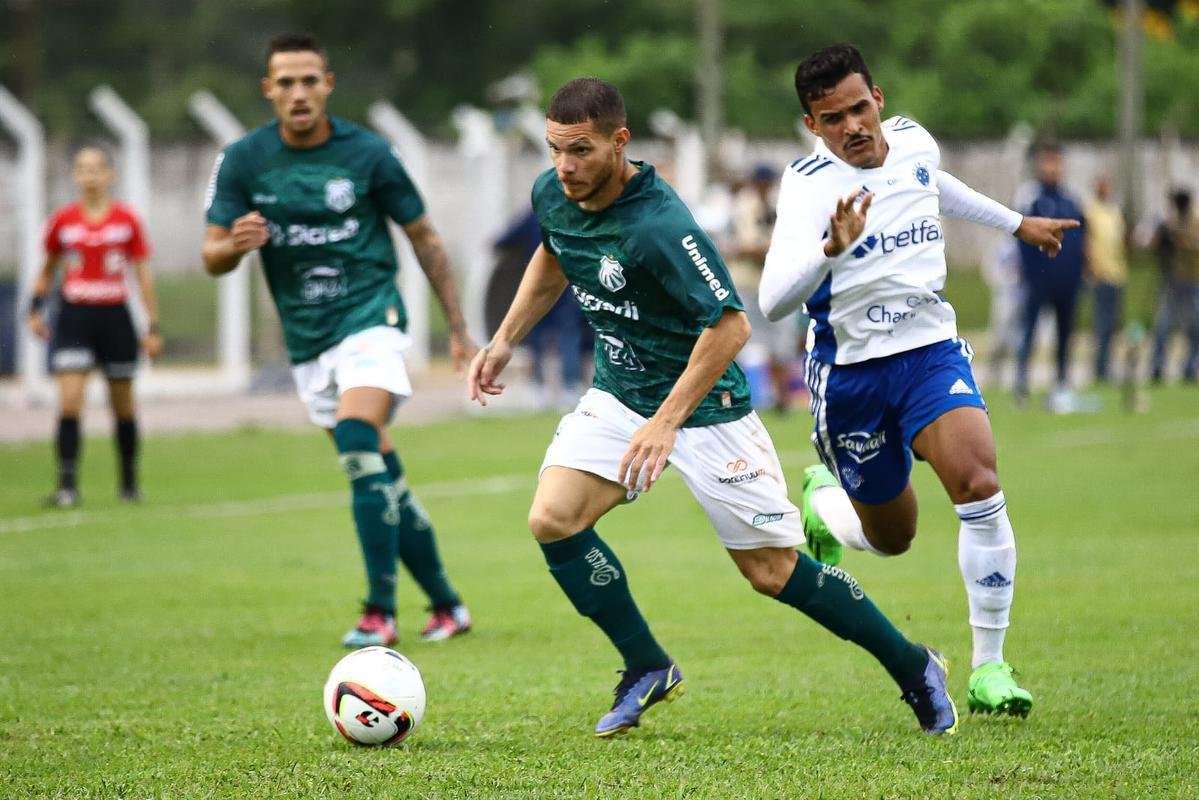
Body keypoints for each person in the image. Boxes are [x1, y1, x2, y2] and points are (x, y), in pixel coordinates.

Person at [469, 77, 960, 738]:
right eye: (555, 149)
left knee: (770, 572)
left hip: (707, 411)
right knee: (553, 519)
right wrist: (503, 340)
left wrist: (665, 424)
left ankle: (912, 666)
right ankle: (645, 664)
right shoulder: (554, 192)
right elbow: (554, 256)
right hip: (619, 396)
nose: (564, 166)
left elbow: (730, 326)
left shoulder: (659, 224)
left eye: (580, 151)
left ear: (620, 143)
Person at [759, 44, 1079, 719]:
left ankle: (989, 668)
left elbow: (933, 182)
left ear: (877, 96)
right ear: (811, 125)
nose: (852, 126)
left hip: (929, 352)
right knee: (891, 536)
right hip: (850, 378)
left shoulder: (911, 141)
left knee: (979, 484)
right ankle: (826, 506)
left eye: (858, 108)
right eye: (832, 117)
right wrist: (828, 252)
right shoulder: (808, 186)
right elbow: (771, 301)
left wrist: (1016, 223)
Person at [201, 33, 475, 646]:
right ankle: (449, 604)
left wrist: (457, 328)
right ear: (269, 90)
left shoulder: (369, 153)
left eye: (309, 81)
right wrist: (232, 244)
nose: (298, 93)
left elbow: (424, 235)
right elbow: (211, 255)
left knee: (356, 439)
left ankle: (380, 612)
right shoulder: (244, 159)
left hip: (371, 319)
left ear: (328, 85)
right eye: (286, 83)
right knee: (379, 472)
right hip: (308, 340)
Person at [27, 146, 162, 508]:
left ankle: (129, 484)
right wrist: (35, 307)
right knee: (69, 402)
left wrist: (152, 326)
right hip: (74, 317)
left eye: (97, 168)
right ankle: (67, 487)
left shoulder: (127, 220)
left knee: (123, 405)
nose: (90, 175)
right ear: (75, 175)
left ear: (109, 175)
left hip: (114, 316)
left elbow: (143, 274)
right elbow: (48, 267)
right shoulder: (63, 221)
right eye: (82, 169)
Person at [1014, 143, 1086, 410]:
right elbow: (1021, 238)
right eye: (1048, 163)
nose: (1052, 169)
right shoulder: (1031, 199)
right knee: (1029, 331)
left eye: (1056, 163)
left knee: (1065, 334)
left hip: (1067, 282)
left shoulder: (1071, 201)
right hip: (1039, 282)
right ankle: (1021, 384)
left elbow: (1080, 239)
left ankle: (1062, 383)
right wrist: (1031, 274)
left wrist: (1079, 273)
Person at [730, 165, 806, 412]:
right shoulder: (744, 205)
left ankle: (782, 398)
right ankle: (737, 397)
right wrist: (773, 250)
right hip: (748, 283)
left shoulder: (780, 204)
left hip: (776, 282)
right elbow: (745, 247)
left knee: (782, 344)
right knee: (737, 341)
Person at [1149, 189, 1199, 383]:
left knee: (1195, 326)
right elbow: (1155, 245)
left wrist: (1179, 238)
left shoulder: (1195, 220)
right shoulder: (1169, 221)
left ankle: (1190, 365)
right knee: (1163, 324)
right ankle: (1158, 365)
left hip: (1193, 279)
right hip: (1172, 279)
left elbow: (1192, 243)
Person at [1083, 175, 1128, 383]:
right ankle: (1099, 369)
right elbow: (1086, 242)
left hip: (1117, 273)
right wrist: (1091, 268)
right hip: (1101, 275)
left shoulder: (1114, 211)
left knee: (1112, 325)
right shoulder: (1090, 211)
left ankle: (1107, 367)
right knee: (1101, 324)